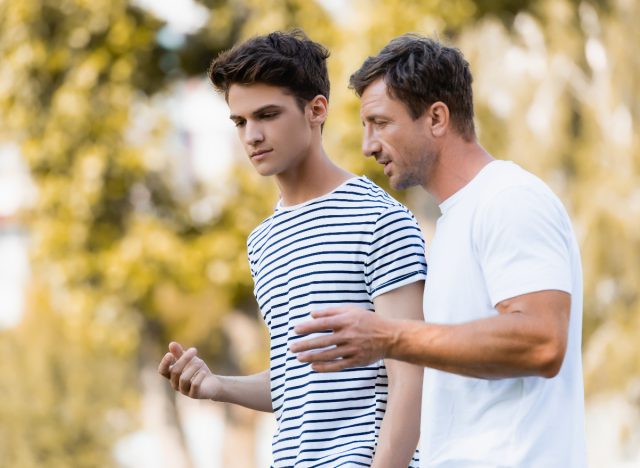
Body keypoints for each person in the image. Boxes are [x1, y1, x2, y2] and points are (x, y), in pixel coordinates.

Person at [291, 34, 587, 467]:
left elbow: (542, 340)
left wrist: (389, 336)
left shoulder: (509, 198)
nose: (368, 146)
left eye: (381, 123)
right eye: (365, 127)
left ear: (436, 118)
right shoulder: (453, 223)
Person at [157, 30, 428, 467]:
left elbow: (411, 375)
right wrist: (218, 385)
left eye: (267, 115)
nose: (252, 136)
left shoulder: (379, 218)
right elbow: (296, 384)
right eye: (241, 121)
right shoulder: (263, 240)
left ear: (316, 110)